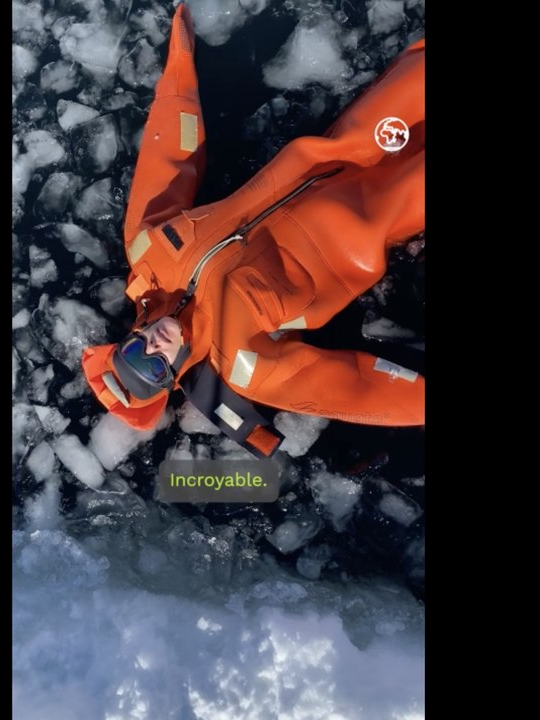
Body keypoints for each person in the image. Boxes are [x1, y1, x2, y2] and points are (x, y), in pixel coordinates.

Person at [82, 4, 424, 458]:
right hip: (382, 214)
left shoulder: (148, 254)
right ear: (174, 379)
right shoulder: (246, 366)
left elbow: (171, 154)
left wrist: (180, 62)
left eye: (132, 349)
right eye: (153, 365)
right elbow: (355, 389)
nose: (152, 345)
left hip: (337, 152)